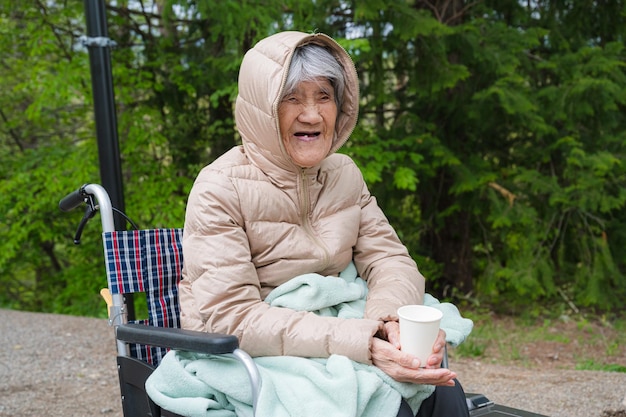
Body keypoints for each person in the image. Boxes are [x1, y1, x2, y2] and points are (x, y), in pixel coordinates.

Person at [178, 31, 469, 417]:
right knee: (382, 403)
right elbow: (235, 318)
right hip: (250, 349)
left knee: (440, 391)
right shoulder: (219, 186)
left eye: (324, 97)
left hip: (335, 331)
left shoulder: (343, 173)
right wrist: (363, 342)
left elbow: (391, 261)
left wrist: (389, 322)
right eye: (291, 97)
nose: (312, 115)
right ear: (262, 109)